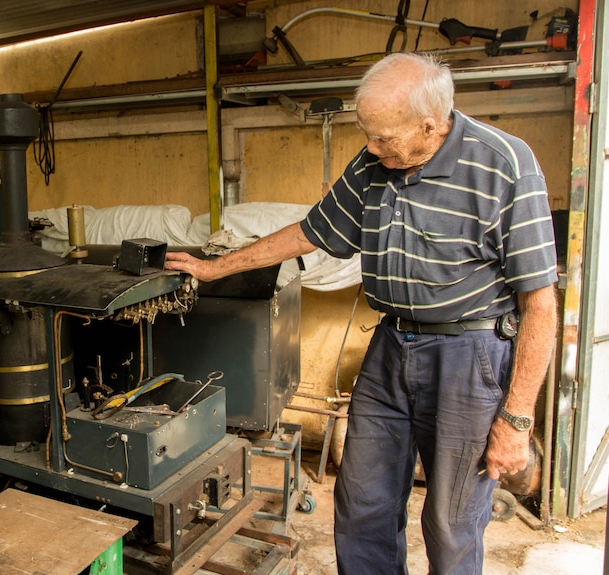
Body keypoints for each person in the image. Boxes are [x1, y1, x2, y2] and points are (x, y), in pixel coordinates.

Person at [164, 52, 558, 574]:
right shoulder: (375, 165)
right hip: (391, 347)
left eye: (383, 138)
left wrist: (515, 418)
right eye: (366, 134)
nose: (371, 148)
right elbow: (310, 231)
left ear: (431, 124)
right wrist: (217, 268)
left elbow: (540, 304)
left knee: (451, 521)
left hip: (470, 356)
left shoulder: (504, 163)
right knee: (362, 506)